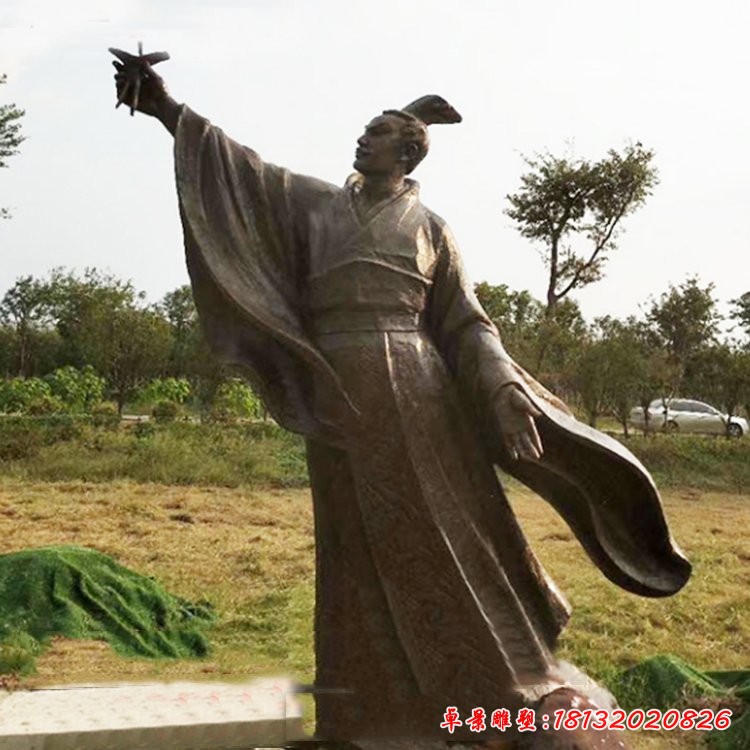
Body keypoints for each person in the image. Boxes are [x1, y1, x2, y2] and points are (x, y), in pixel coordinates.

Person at [114, 59, 690, 747]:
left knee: (443, 529)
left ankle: (498, 683)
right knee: (350, 544)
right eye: (364, 130)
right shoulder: (318, 205)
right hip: (338, 395)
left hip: (416, 390)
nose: (363, 139)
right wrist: (166, 109)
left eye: (379, 133)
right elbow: (246, 170)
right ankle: (366, 712)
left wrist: (504, 388)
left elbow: (467, 323)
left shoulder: (431, 229)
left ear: (408, 153)